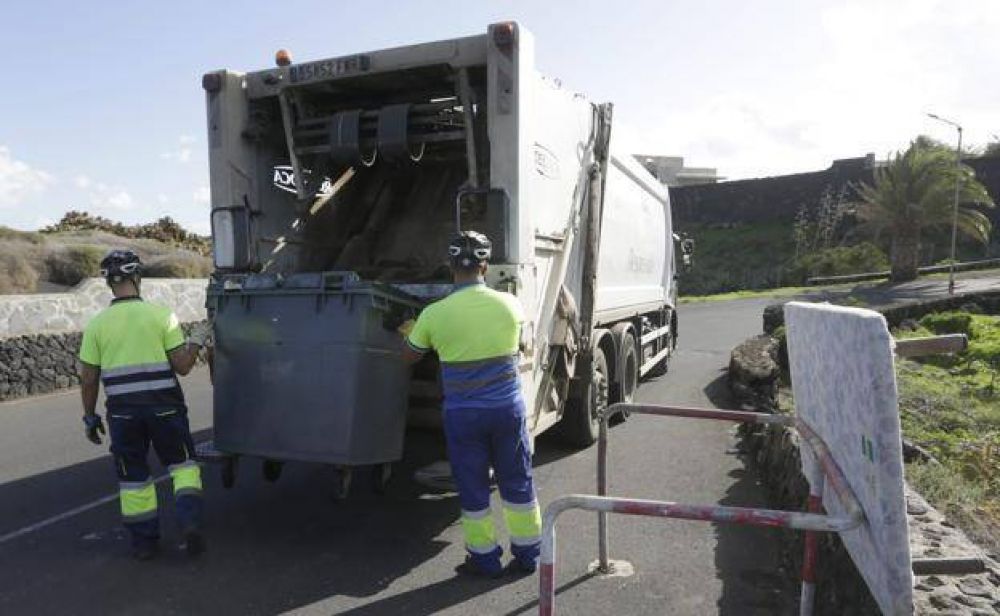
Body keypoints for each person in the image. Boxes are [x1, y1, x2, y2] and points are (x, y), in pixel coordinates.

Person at [401, 231, 542, 577]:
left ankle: (484, 559)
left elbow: (408, 358)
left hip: (464, 416)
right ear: (485, 265)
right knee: (517, 481)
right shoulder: (510, 305)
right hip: (507, 412)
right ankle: (528, 556)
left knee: (473, 485)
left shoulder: (434, 315)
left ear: (451, 266)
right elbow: (519, 344)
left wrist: (408, 332)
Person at [78, 249, 210, 560]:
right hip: (165, 408)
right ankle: (189, 522)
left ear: (109, 284)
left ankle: (144, 544)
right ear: (137, 278)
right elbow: (182, 366)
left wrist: (89, 417)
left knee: (134, 478)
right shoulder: (162, 315)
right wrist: (197, 340)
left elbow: (88, 378)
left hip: (123, 414)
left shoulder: (96, 325)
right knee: (183, 467)